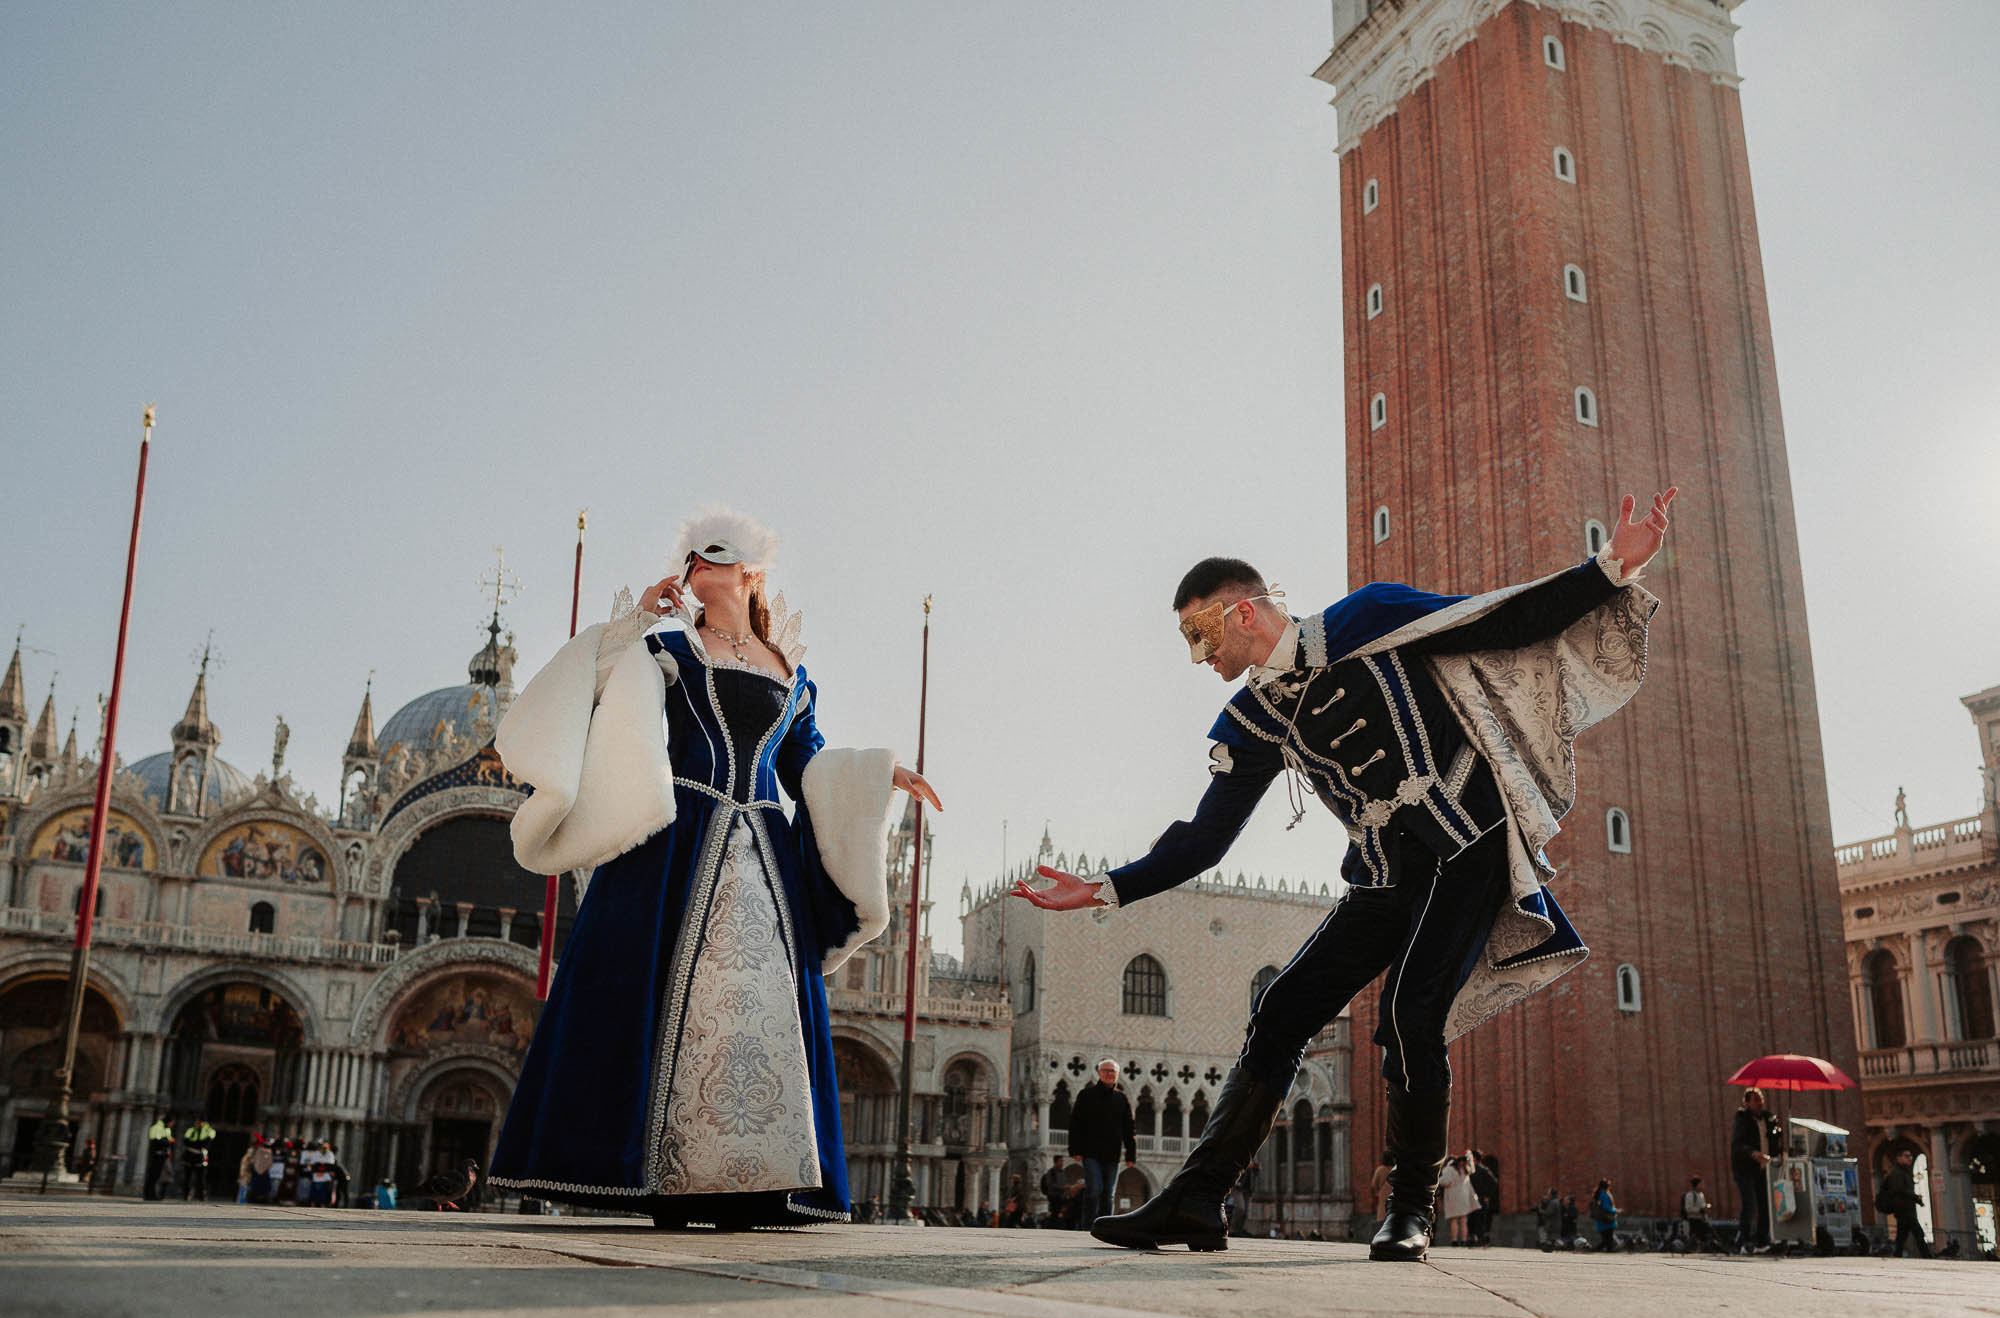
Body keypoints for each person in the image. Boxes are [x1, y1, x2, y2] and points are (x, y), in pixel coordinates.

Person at [1014, 490, 1676, 1261]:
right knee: (1284, 1006)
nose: (1200, 658)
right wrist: (1101, 889)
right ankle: (1197, 1199)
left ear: (1243, 613)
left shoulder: (1364, 619)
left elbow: (1504, 619)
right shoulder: (1252, 720)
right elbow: (1204, 840)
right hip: (1386, 870)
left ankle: (1411, 1209)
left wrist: (1611, 566)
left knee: (1409, 1011)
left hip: (1467, 838)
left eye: (1199, 633)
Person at [488, 509, 939, 1228]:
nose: (698, 559)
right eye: (692, 552)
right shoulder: (671, 647)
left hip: (763, 853)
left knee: (754, 1016)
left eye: (717, 552)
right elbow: (603, 696)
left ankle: (747, 1185)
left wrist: (882, 772)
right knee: (660, 999)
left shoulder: (791, 675)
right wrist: (636, 620)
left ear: (750, 573)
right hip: (676, 846)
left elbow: (807, 766)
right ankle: (663, 1180)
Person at [1067, 1059, 1137, 1227]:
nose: (1109, 1074)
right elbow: (1075, 1124)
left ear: (1117, 1075)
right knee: (1094, 1188)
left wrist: (1131, 1154)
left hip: (1112, 1154)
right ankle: (1088, 1226)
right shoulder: (1086, 1095)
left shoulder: (1121, 1099)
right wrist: (1074, 1148)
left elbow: (1129, 1128)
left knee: (1109, 1194)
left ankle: (1105, 1227)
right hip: (1090, 1152)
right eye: (1105, 1070)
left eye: (1113, 1071)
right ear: (1098, 1073)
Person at [1731, 1087, 1780, 1252]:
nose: (1760, 1103)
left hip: (1763, 1168)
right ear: (1747, 1102)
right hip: (1744, 1168)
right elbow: (1737, 1144)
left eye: (1761, 1099)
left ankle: (1761, 1241)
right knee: (1749, 1203)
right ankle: (1744, 1241)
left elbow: (1775, 1141)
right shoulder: (1742, 1118)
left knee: (1765, 1204)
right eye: (1756, 1100)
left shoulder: (1769, 1118)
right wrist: (1753, 1153)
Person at [1876, 1148, 1931, 1258]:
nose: (1910, 1158)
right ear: (1899, 1158)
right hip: (1903, 1208)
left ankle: (1898, 1253)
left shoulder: (1903, 1172)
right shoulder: (1897, 1173)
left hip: (1904, 1208)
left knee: (1902, 1234)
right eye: (1906, 1156)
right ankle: (1927, 1255)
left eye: (1910, 1156)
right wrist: (1915, 1197)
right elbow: (1899, 1190)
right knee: (1918, 1232)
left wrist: (1915, 1199)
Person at [1439, 1154, 1476, 1244]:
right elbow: (1473, 1170)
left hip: (1453, 1197)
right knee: (1463, 1220)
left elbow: (1444, 1181)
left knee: (1454, 1220)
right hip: (1464, 1197)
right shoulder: (1465, 1169)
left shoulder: (1449, 1169)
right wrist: (1470, 1157)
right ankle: (1463, 1240)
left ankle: (1454, 1240)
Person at [180, 1119, 216, 1200]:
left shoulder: (209, 1131)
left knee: (201, 1177)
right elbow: (185, 1141)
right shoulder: (191, 1130)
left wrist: (194, 1144)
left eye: (201, 1122)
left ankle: (201, 1195)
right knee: (187, 1176)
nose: (199, 1124)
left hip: (200, 1156)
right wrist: (198, 1144)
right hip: (189, 1155)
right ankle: (186, 1195)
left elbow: (207, 1143)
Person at [144, 1115, 175, 1201]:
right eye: (171, 1123)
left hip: (164, 1155)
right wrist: (168, 1142)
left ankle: (157, 1195)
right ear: (168, 1122)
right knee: (153, 1175)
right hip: (157, 1155)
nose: (172, 1125)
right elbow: (155, 1141)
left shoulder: (166, 1129)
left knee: (161, 1175)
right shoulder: (156, 1127)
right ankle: (150, 1195)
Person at [1470, 1152, 1499, 1245]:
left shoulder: (1483, 1170)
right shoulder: (1471, 1170)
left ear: (1476, 1159)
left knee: (1481, 1219)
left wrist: (1487, 1195)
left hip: (1481, 1198)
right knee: (1473, 1219)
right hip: (1472, 1199)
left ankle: (1481, 1239)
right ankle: (1475, 1238)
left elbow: (1494, 1182)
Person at [1680, 1175, 1713, 1252]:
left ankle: (1705, 1248)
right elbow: (1688, 1208)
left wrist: (1706, 1207)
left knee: (1708, 1233)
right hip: (1693, 1220)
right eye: (1701, 1184)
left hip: (1701, 1219)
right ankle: (1687, 1249)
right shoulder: (1690, 1195)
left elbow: (1703, 1206)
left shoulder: (1701, 1195)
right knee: (1694, 1236)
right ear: (1697, 1185)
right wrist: (1699, 1210)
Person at [1591, 1179, 1619, 1252]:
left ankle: (1596, 1250)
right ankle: (1596, 1250)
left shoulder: (1598, 1193)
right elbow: (1606, 1207)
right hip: (1607, 1219)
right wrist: (1616, 1210)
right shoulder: (1605, 1194)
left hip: (1600, 1219)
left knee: (1606, 1239)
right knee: (1608, 1240)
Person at [1041, 1153, 1071, 1223]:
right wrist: (1063, 1188)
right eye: (1061, 1161)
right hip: (1054, 1197)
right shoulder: (1051, 1172)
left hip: (1062, 1196)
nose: (1062, 1163)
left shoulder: (1063, 1172)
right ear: (1056, 1162)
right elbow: (1050, 1185)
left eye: (1062, 1161)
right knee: (1054, 1214)